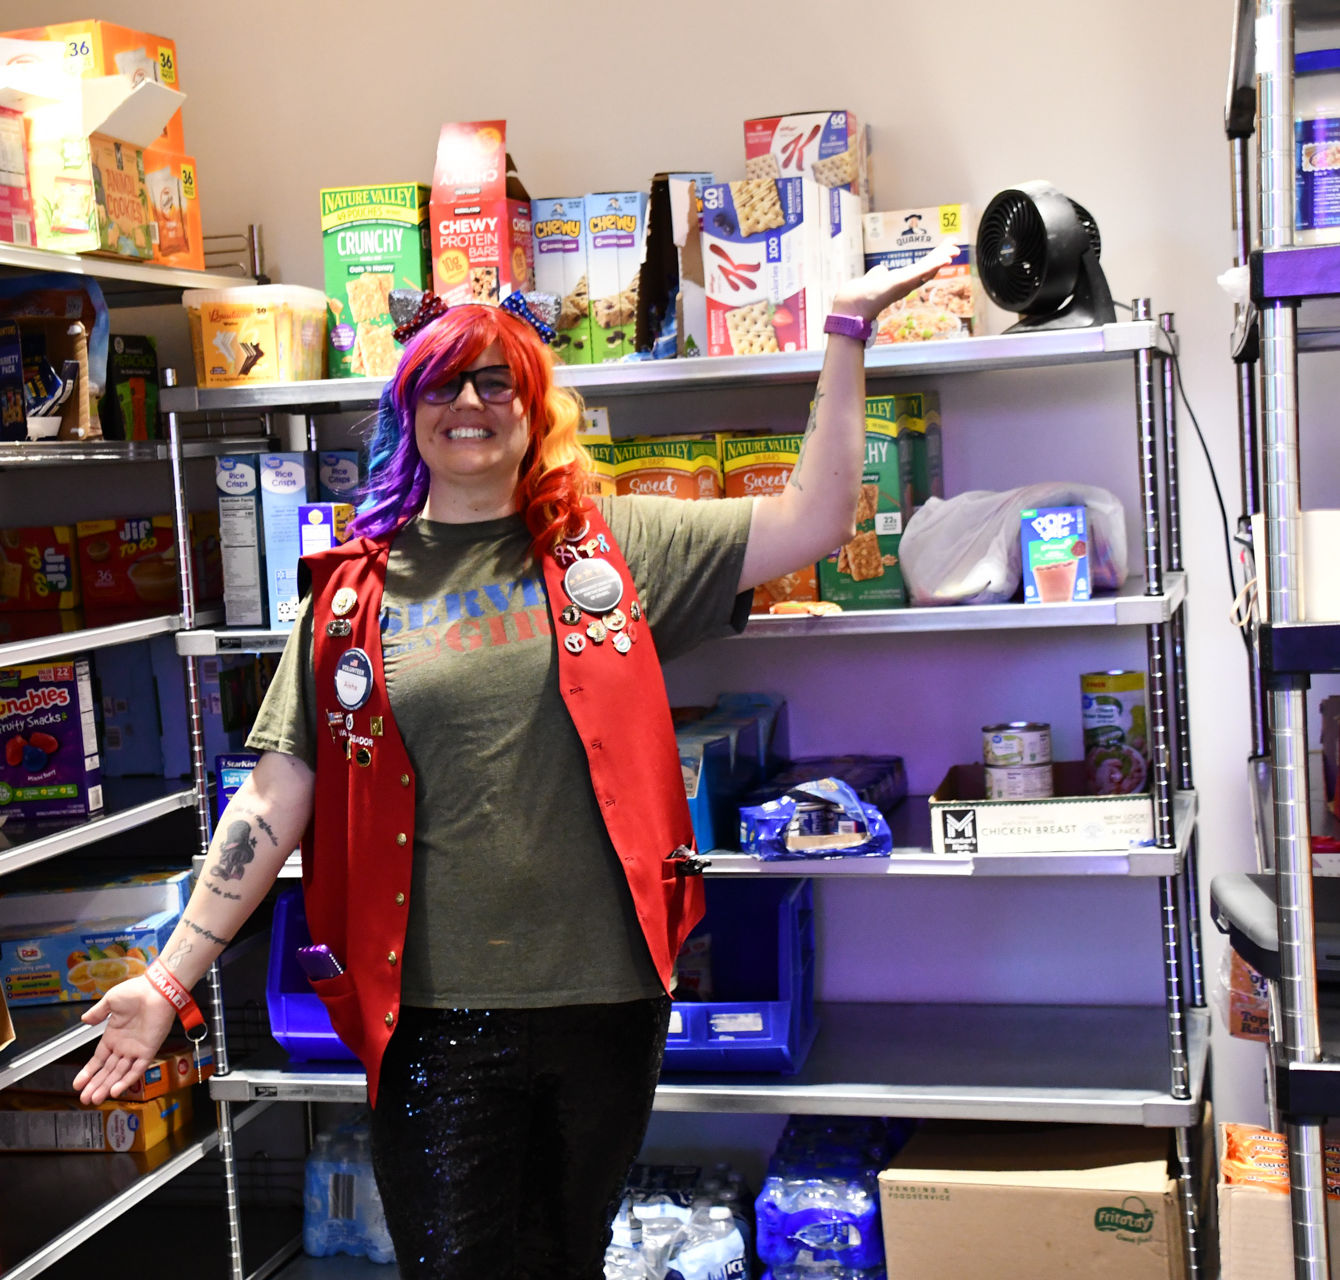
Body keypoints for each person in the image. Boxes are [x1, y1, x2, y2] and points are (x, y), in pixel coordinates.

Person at [73, 243, 959, 1277]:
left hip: (607, 1005)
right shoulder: (354, 597)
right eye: (446, 379)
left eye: (499, 379)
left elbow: (817, 515)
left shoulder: (616, 548)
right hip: (435, 1019)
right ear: (410, 407)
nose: (472, 400)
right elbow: (275, 796)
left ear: (533, 408)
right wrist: (169, 980)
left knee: (565, 1259)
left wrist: (846, 333)